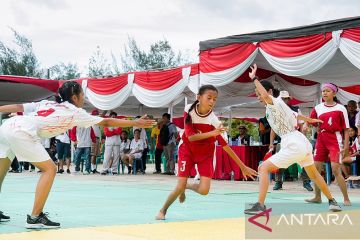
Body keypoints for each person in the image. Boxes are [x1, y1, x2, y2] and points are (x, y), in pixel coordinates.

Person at [0, 81, 155, 229]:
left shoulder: (48, 103)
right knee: (50, 169)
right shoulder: (76, 113)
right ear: (74, 97)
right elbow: (106, 122)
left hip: (7, 126)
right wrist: (135, 122)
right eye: (82, 95)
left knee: (1, 173)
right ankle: (35, 217)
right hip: (21, 131)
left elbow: (20, 106)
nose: (84, 98)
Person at [244, 64, 341, 215]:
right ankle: (332, 202)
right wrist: (310, 119)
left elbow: (265, 96)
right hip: (301, 142)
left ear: (269, 91)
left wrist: (254, 78)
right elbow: (295, 115)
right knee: (314, 174)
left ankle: (260, 205)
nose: (258, 97)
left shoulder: (273, 101)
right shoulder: (278, 104)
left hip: (292, 142)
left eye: (259, 93)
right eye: (256, 94)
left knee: (263, 168)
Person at [156, 85, 258, 220]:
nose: (212, 102)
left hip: (206, 154)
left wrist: (243, 166)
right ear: (199, 98)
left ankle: (185, 187)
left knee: (204, 190)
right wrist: (212, 133)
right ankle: (163, 210)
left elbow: (226, 146)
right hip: (187, 150)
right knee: (179, 185)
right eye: (209, 98)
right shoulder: (189, 111)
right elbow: (190, 136)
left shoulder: (214, 121)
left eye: (215, 99)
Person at [304, 83, 351, 206]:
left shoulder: (341, 108)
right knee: (316, 169)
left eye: (328, 91)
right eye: (323, 91)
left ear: (334, 93)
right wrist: (305, 124)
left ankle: (346, 198)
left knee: (336, 169)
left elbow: (346, 129)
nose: (324, 93)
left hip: (335, 139)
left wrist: (346, 147)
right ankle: (317, 196)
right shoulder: (318, 108)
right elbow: (311, 121)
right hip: (321, 140)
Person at [271, 91, 313, 192]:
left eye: (286, 98)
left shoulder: (296, 109)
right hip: (283, 139)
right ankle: (278, 182)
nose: (285, 100)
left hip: (296, 138)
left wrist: (304, 137)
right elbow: (273, 128)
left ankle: (306, 182)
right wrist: (271, 143)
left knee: (305, 160)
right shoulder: (276, 110)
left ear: (289, 99)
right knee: (279, 160)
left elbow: (302, 125)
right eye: (282, 99)